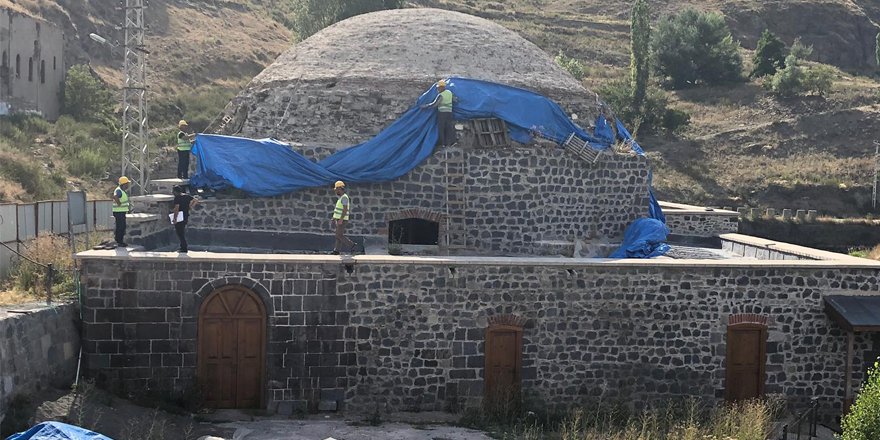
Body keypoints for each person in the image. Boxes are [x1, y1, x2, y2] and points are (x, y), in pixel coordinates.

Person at [421, 79, 457, 147]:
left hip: (442, 113)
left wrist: (425, 106)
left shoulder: (441, 95)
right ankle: (452, 142)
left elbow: (435, 104)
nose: (437, 89)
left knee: (441, 128)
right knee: (449, 127)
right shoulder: (449, 92)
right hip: (449, 112)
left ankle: (442, 143)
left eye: (438, 88)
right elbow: (455, 99)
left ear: (441, 87)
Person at [171, 185, 198, 253]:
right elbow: (195, 200)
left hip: (179, 217)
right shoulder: (186, 196)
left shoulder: (177, 198)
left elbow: (176, 208)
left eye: (173, 191)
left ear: (176, 192)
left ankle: (184, 247)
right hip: (185, 215)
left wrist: (175, 219)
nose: (172, 193)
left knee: (180, 233)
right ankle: (183, 246)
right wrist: (190, 207)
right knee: (182, 231)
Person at [331, 180, 356, 255]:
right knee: (338, 235)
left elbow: (344, 210)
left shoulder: (344, 198)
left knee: (339, 235)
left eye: (336, 190)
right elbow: (339, 210)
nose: (336, 191)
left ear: (340, 188)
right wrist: (334, 218)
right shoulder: (341, 198)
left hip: (343, 220)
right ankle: (336, 250)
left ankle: (352, 245)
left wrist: (341, 219)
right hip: (340, 219)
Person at [112, 176, 131, 248]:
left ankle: (119, 241)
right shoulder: (119, 190)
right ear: (124, 184)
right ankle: (119, 242)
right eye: (127, 184)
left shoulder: (121, 190)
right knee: (120, 227)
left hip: (121, 212)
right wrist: (119, 203)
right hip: (119, 212)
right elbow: (115, 196)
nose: (128, 185)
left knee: (121, 226)